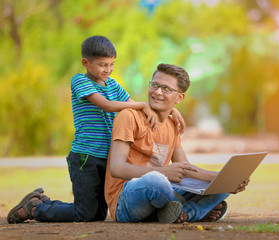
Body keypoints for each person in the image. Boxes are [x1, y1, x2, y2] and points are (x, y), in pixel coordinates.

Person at [7, 36, 185, 224]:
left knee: (97, 213)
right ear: (86, 63)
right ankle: (35, 209)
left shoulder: (113, 85)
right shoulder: (80, 81)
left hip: (108, 157)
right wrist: (142, 104)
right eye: (102, 65)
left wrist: (170, 109)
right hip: (86, 156)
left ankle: (41, 203)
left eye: (111, 64)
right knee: (85, 214)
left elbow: (135, 108)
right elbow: (107, 105)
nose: (108, 69)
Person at [105, 63, 250, 223]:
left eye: (166, 89)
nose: (157, 92)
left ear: (179, 97)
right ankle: (197, 211)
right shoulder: (129, 117)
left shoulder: (172, 124)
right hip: (126, 198)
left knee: (222, 187)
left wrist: (224, 178)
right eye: (155, 85)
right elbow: (117, 168)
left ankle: (183, 214)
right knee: (156, 181)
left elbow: (185, 168)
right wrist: (164, 172)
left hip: (164, 192)